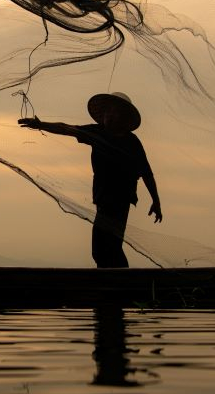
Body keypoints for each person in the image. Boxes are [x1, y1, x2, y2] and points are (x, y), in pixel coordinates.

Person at [19, 93, 161, 268]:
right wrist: (40, 125)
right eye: (107, 111)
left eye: (113, 112)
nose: (108, 115)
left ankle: (121, 286)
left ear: (122, 116)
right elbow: (67, 128)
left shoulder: (132, 142)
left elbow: (146, 172)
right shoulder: (97, 133)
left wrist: (156, 201)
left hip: (119, 200)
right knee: (106, 248)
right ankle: (117, 285)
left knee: (106, 248)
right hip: (103, 199)